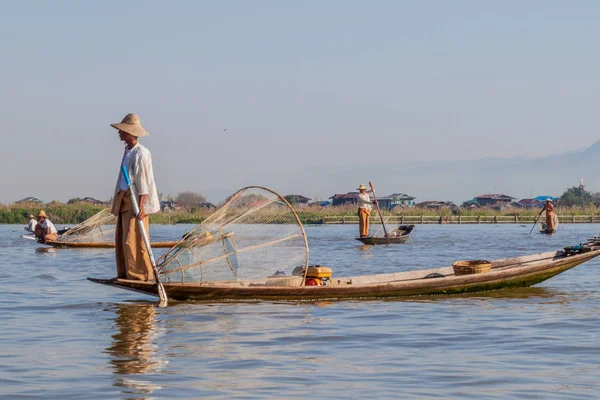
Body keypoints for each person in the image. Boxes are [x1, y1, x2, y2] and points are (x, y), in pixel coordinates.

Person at [110, 113, 160, 281]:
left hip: (135, 202)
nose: (119, 133)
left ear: (131, 133)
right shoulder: (128, 151)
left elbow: (142, 182)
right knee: (123, 240)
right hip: (125, 199)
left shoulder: (141, 153)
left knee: (135, 241)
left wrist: (141, 206)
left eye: (122, 131)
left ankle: (142, 275)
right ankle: (126, 273)